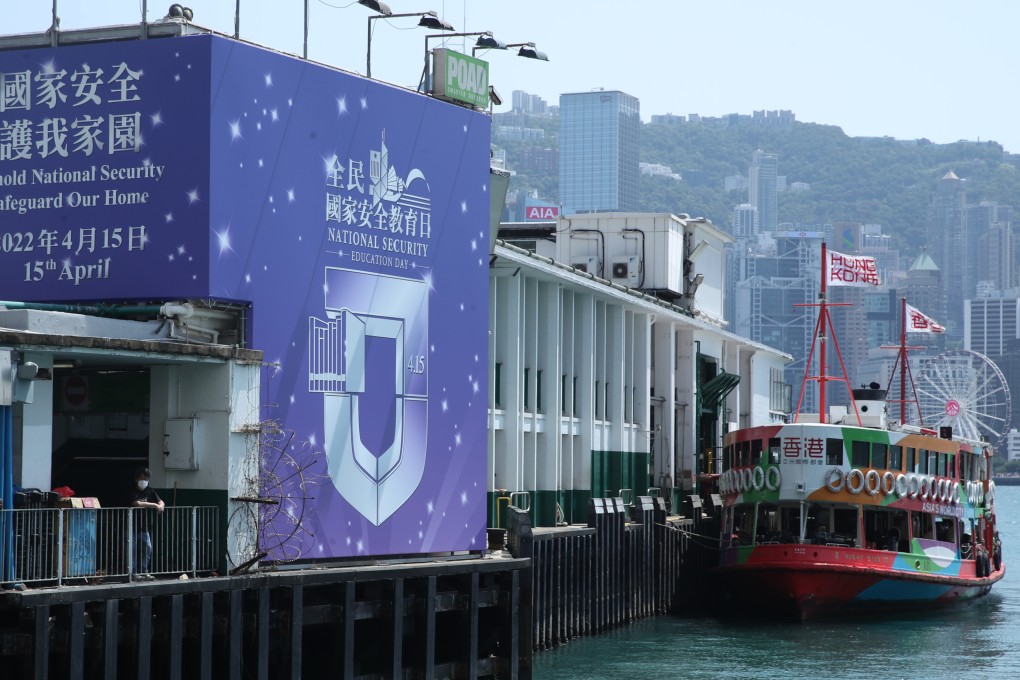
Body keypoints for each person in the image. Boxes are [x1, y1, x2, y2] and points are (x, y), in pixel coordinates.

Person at [128, 467, 164, 581]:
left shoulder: (150, 491)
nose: (143, 481)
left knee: (147, 548)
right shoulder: (132, 491)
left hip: (145, 527)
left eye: (146, 478)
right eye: (141, 478)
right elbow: (136, 503)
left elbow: (160, 501)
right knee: (132, 550)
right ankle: (133, 573)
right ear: (136, 479)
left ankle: (144, 571)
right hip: (131, 527)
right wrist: (154, 506)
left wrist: (161, 506)